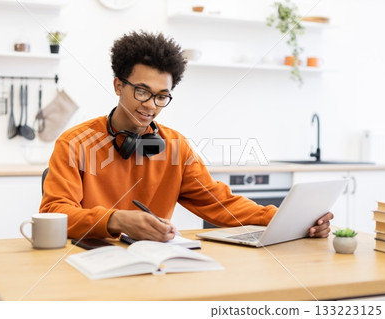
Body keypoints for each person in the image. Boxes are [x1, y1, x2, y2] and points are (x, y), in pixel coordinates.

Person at [40, 31, 333, 242]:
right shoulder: (75, 142)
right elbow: (55, 211)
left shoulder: (175, 147)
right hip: (86, 262)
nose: (150, 105)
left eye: (161, 96)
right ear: (118, 85)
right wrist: (115, 220)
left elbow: (220, 203)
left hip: (154, 264)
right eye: (142, 91)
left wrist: (289, 220)